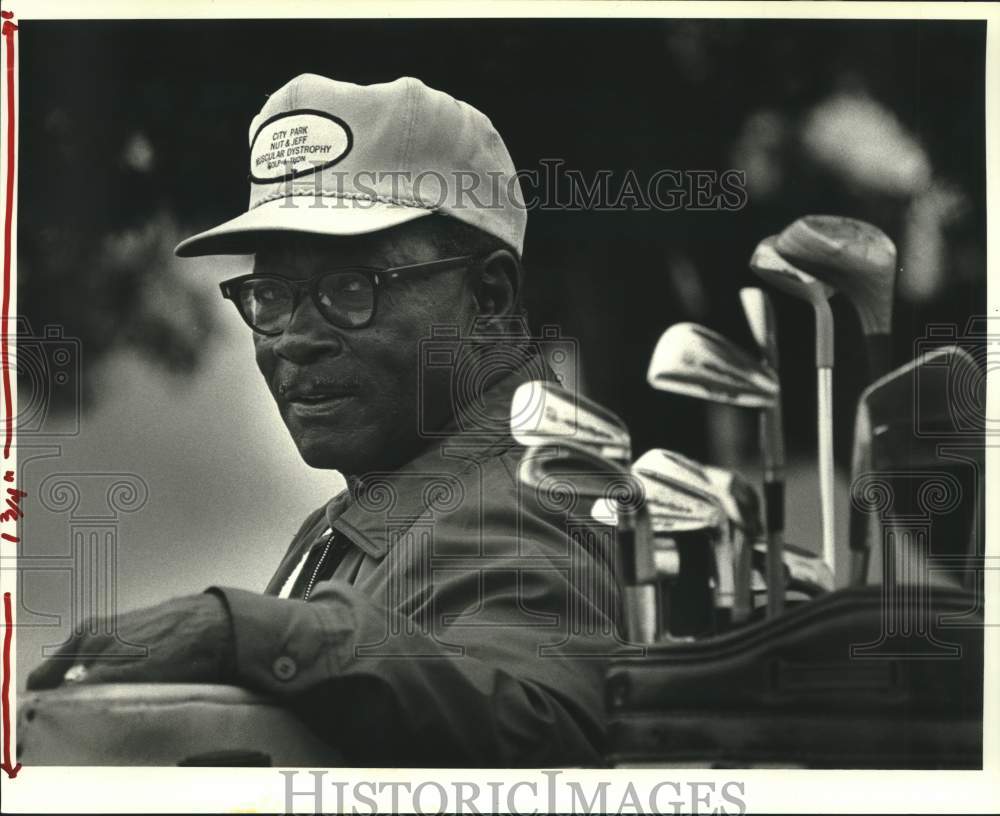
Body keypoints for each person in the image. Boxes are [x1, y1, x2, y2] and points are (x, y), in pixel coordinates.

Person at [27, 73, 622, 766]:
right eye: (271, 295)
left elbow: (545, 729)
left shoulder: (530, 497)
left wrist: (240, 632)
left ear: (488, 295)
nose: (291, 338)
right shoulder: (377, 504)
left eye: (350, 286)